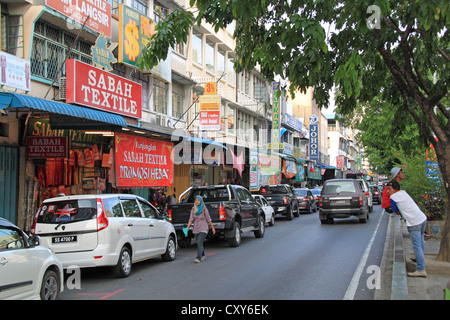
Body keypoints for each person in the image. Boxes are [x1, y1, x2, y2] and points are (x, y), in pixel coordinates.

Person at [386, 180, 428, 277]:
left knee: (417, 246)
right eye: (387, 189)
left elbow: (395, 210)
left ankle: (421, 269)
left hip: (414, 222)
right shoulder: (403, 193)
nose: (388, 191)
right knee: (421, 242)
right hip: (422, 219)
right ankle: (419, 259)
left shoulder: (393, 197)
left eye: (389, 189)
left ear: (395, 189)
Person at [186, 196, 216, 263]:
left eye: (198, 200)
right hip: (196, 229)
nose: (197, 202)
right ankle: (202, 254)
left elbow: (208, 219)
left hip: (203, 228)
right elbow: (191, 219)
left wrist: (213, 228)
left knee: (199, 241)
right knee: (199, 243)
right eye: (196, 200)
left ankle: (198, 258)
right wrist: (187, 228)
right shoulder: (193, 209)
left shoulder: (204, 209)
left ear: (201, 201)